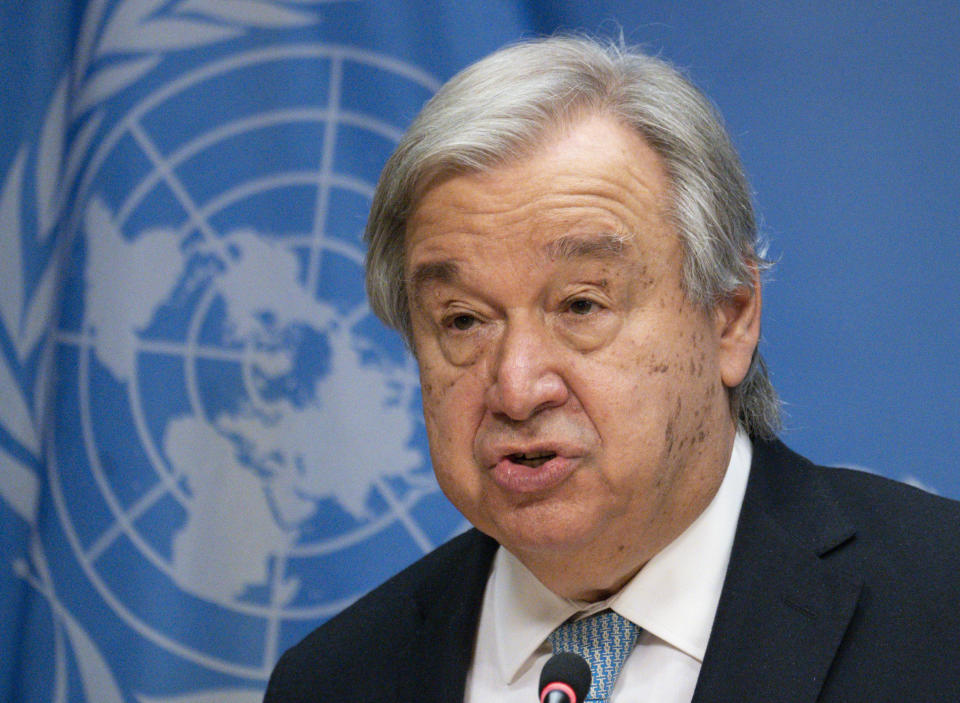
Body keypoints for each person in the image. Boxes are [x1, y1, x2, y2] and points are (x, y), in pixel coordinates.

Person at [264, 36, 960, 702]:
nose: (516, 386)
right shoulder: (334, 679)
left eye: (580, 304)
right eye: (464, 320)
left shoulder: (940, 607)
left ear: (730, 317)